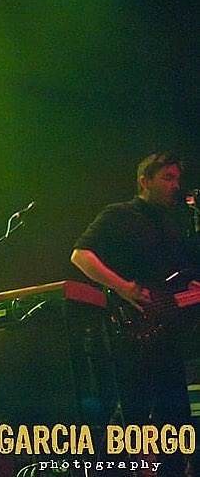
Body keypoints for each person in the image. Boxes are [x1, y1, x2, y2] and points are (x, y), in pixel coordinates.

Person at [71, 151, 199, 476]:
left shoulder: (172, 226)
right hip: (131, 333)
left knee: (176, 422)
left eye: (176, 178)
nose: (175, 185)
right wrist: (123, 287)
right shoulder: (119, 215)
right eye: (167, 178)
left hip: (168, 335)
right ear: (145, 181)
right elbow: (81, 256)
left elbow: (176, 277)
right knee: (134, 415)